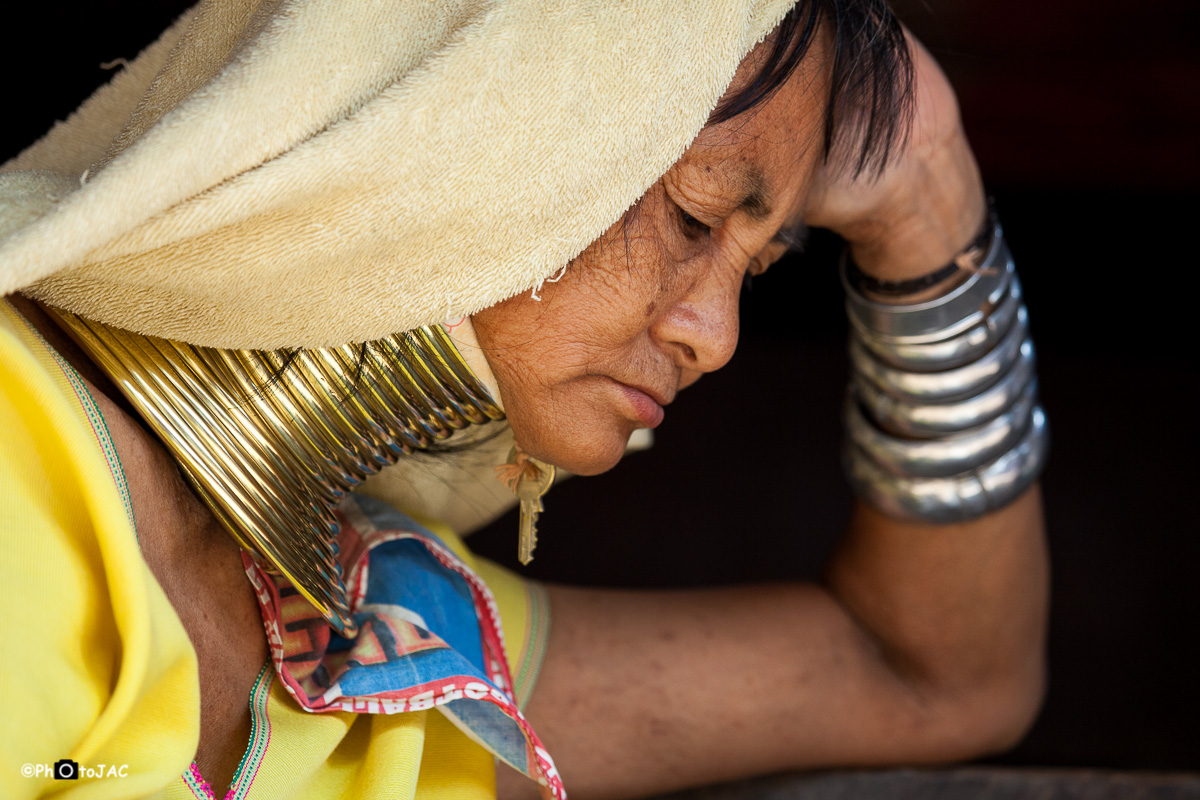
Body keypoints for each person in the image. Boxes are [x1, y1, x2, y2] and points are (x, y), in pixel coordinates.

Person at [0, 0, 1048, 798]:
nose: (714, 335)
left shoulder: (384, 631)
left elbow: (936, 676)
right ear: (477, 115)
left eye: (757, 265)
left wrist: (928, 197)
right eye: (693, 216)